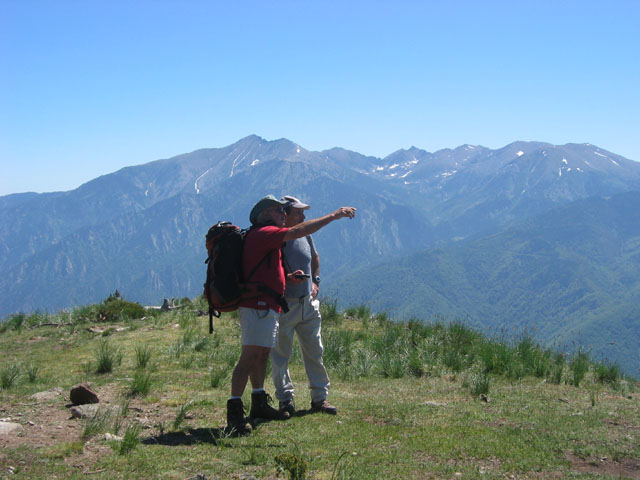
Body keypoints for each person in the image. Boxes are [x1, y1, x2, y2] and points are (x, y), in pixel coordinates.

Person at [226, 195, 356, 435]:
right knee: (250, 357)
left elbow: (268, 270)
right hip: (259, 306)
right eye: (279, 211)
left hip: (270, 305)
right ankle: (235, 411)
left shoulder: (266, 235)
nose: (283, 215)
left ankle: (259, 403)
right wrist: (334, 215)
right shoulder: (265, 233)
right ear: (267, 214)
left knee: (262, 355)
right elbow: (297, 231)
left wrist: (290, 278)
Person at [271, 195, 337, 416]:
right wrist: (287, 278)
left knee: (315, 351)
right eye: (298, 212)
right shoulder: (275, 237)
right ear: (285, 214)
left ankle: (320, 398)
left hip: (307, 302)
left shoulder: (304, 233)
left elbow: (315, 257)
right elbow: (269, 270)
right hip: (284, 304)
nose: (303, 216)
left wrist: (315, 282)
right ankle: (285, 400)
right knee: (281, 355)